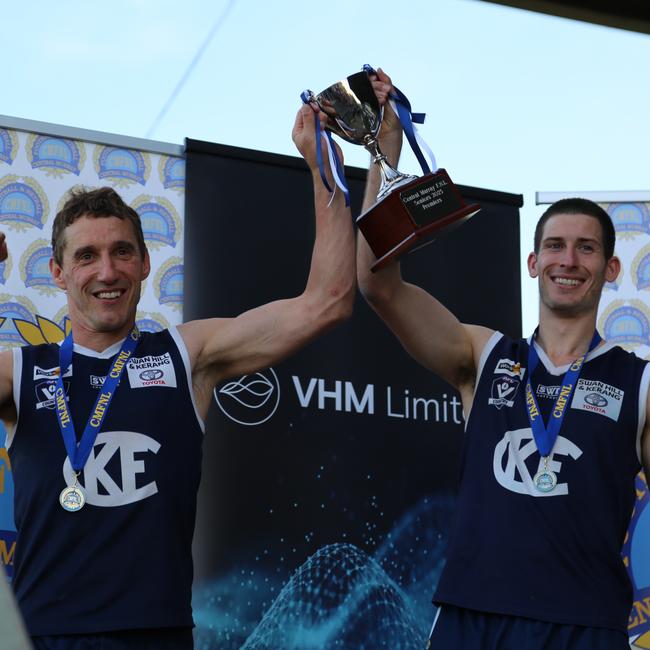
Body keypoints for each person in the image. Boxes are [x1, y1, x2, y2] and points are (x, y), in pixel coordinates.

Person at [1, 103, 355, 649]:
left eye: (122, 252)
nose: (107, 271)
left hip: (156, 637)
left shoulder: (186, 355)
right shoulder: (22, 369)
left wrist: (320, 166)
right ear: (57, 271)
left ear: (145, 263)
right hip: (41, 637)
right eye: (87, 256)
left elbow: (326, 302)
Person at [358, 69, 650, 650]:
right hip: (473, 618)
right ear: (533, 263)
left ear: (611, 269)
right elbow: (377, 283)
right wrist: (384, 156)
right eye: (555, 247)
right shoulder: (484, 354)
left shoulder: (638, 381)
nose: (569, 260)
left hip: (584, 624)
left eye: (586, 247)